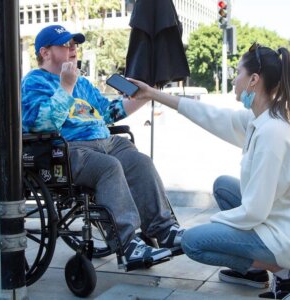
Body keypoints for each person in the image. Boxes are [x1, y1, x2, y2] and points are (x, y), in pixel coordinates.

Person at [128, 43, 290, 299]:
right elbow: (209, 114)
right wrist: (153, 94)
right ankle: (253, 273)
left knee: (193, 242)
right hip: (285, 219)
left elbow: (255, 210)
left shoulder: (272, 134)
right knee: (223, 185)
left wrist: (209, 225)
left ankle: (286, 272)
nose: (234, 79)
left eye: (238, 72)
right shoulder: (259, 119)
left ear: (253, 80)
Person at [21, 25, 184, 264]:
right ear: (45, 53)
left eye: (74, 44)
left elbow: (108, 113)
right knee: (108, 167)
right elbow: (42, 124)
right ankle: (128, 244)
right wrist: (65, 86)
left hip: (105, 141)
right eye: (66, 44)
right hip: (68, 148)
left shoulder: (83, 83)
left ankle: (165, 230)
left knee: (140, 162)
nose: (73, 48)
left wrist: (144, 96)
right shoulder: (34, 82)